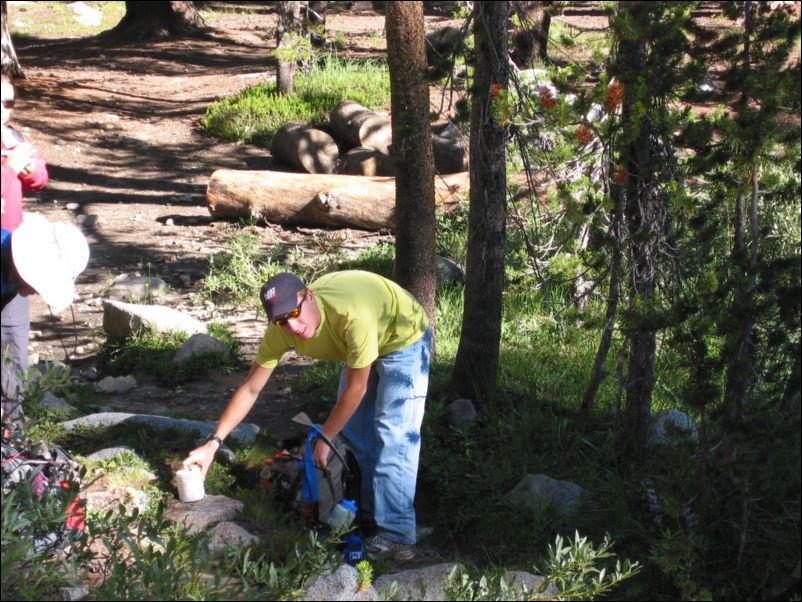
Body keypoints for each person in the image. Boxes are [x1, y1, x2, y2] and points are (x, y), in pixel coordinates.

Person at [184, 270, 432, 561]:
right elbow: (251, 388)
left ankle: (397, 537)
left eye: (295, 312)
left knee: (394, 434)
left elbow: (356, 389)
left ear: (309, 296)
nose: (292, 325)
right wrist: (214, 443)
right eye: (280, 320)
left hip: (403, 332)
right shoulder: (282, 328)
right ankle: (368, 518)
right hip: (361, 340)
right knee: (354, 435)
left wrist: (326, 435)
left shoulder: (352, 316)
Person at [1, 213, 90, 421]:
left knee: (13, 363)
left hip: (8, 285)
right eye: (37, 284)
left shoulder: (17, 274)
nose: (36, 292)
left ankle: (10, 432)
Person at [1, 71, 51, 419]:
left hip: (12, 261)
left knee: (16, 349)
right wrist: (8, 170)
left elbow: (38, 179)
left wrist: (28, 168)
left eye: (8, 102)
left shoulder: (12, 139)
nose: (3, 108)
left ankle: (12, 436)